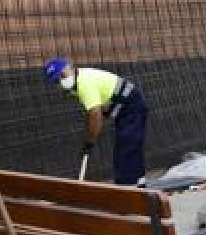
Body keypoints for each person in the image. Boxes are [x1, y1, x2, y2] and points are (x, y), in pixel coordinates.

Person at [44, 58, 149, 186]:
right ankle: (138, 184)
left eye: (62, 75)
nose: (61, 81)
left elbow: (95, 115)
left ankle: (128, 188)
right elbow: (99, 107)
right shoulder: (76, 83)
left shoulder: (84, 84)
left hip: (131, 106)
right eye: (57, 80)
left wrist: (90, 141)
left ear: (71, 68)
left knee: (126, 150)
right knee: (129, 147)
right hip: (124, 105)